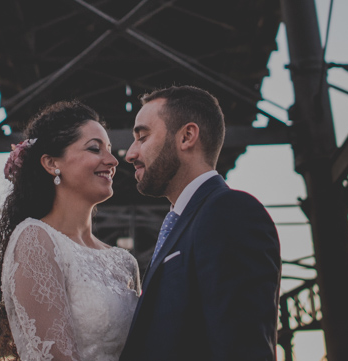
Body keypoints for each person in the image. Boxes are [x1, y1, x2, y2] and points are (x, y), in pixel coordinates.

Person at [120, 86, 281, 361]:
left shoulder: (230, 212)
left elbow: (243, 350)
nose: (130, 154)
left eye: (143, 137)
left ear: (186, 136)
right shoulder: (186, 222)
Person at [0, 101, 141, 361]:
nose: (112, 161)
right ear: (52, 163)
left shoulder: (125, 262)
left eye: (110, 150)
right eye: (94, 148)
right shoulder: (35, 239)